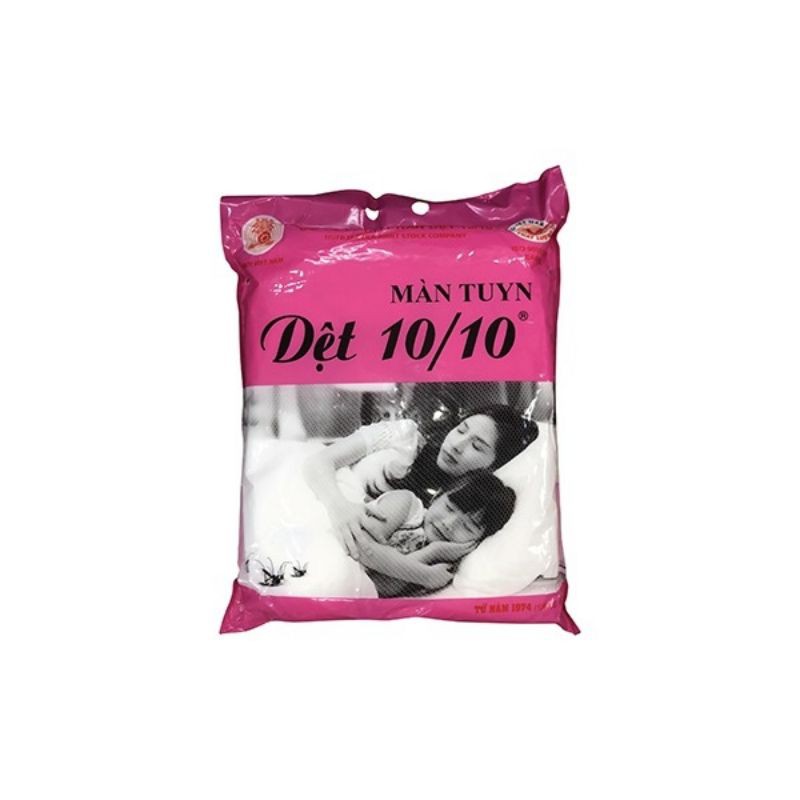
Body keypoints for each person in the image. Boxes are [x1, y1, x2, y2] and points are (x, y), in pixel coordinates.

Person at [302, 404, 536, 557]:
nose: (457, 445)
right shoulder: (405, 437)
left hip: (343, 546)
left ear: (494, 466)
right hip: (314, 491)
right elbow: (319, 462)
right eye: (461, 430)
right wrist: (339, 507)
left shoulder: (451, 513)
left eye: (476, 446)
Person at [352, 471, 516, 597]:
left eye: (467, 527)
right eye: (449, 508)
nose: (448, 524)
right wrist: (426, 572)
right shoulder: (407, 505)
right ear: (437, 496)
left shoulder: (448, 562)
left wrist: (431, 553)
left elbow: (379, 585)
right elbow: (358, 545)